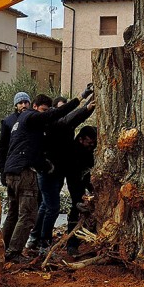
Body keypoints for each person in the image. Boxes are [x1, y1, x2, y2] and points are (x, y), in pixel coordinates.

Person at [2, 86, 93, 262]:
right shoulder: (31, 118)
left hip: (12, 171)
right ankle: (14, 252)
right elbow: (58, 117)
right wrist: (80, 98)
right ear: (34, 107)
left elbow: (30, 148)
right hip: (23, 172)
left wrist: (43, 165)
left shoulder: (20, 123)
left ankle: (4, 247)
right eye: (45, 110)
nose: (48, 113)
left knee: (14, 213)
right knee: (28, 215)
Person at [28, 89, 96, 251]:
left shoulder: (62, 127)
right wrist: (87, 106)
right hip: (50, 171)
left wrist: (87, 104)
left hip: (58, 170)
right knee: (51, 207)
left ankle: (37, 238)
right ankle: (42, 241)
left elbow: (72, 119)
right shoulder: (53, 123)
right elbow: (71, 118)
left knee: (48, 205)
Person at [65, 125, 98, 256]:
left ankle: (94, 241)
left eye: (94, 143)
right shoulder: (73, 152)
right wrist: (79, 197)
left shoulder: (93, 149)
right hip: (75, 178)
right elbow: (73, 179)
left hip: (90, 177)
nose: (92, 146)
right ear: (81, 140)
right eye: (89, 143)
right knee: (76, 207)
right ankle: (72, 244)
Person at [0, 91, 32, 186]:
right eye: (20, 103)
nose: (24, 105)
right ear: (16, 105)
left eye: (26, 102)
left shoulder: (33, 118)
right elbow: (3, 148)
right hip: (13, 165)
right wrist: (2, 171)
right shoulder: (8, 121)